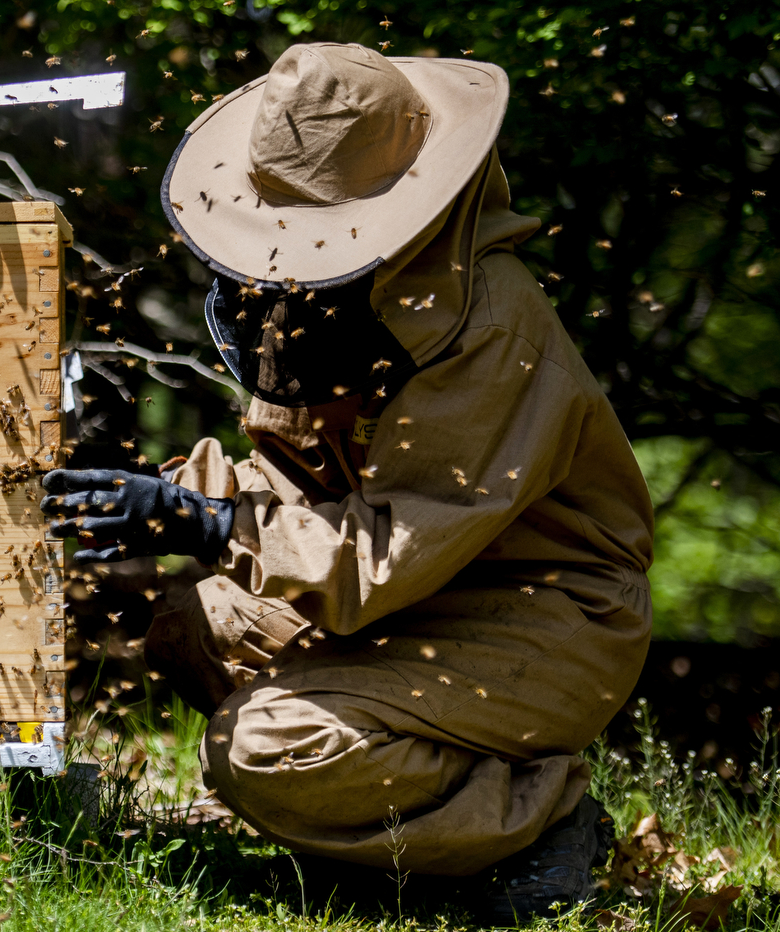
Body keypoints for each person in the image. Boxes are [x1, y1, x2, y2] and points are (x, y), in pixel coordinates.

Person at [42, 42, 652, 921]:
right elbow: (291, 474)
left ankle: (535, 818)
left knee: (266, 750)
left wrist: (211, 527)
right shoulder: (327, 295)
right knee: (193, 622)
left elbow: (380, 557)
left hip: (538, 615)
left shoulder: (490, 335)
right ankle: (384, 824)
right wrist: (159, 493)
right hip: (410, 596)